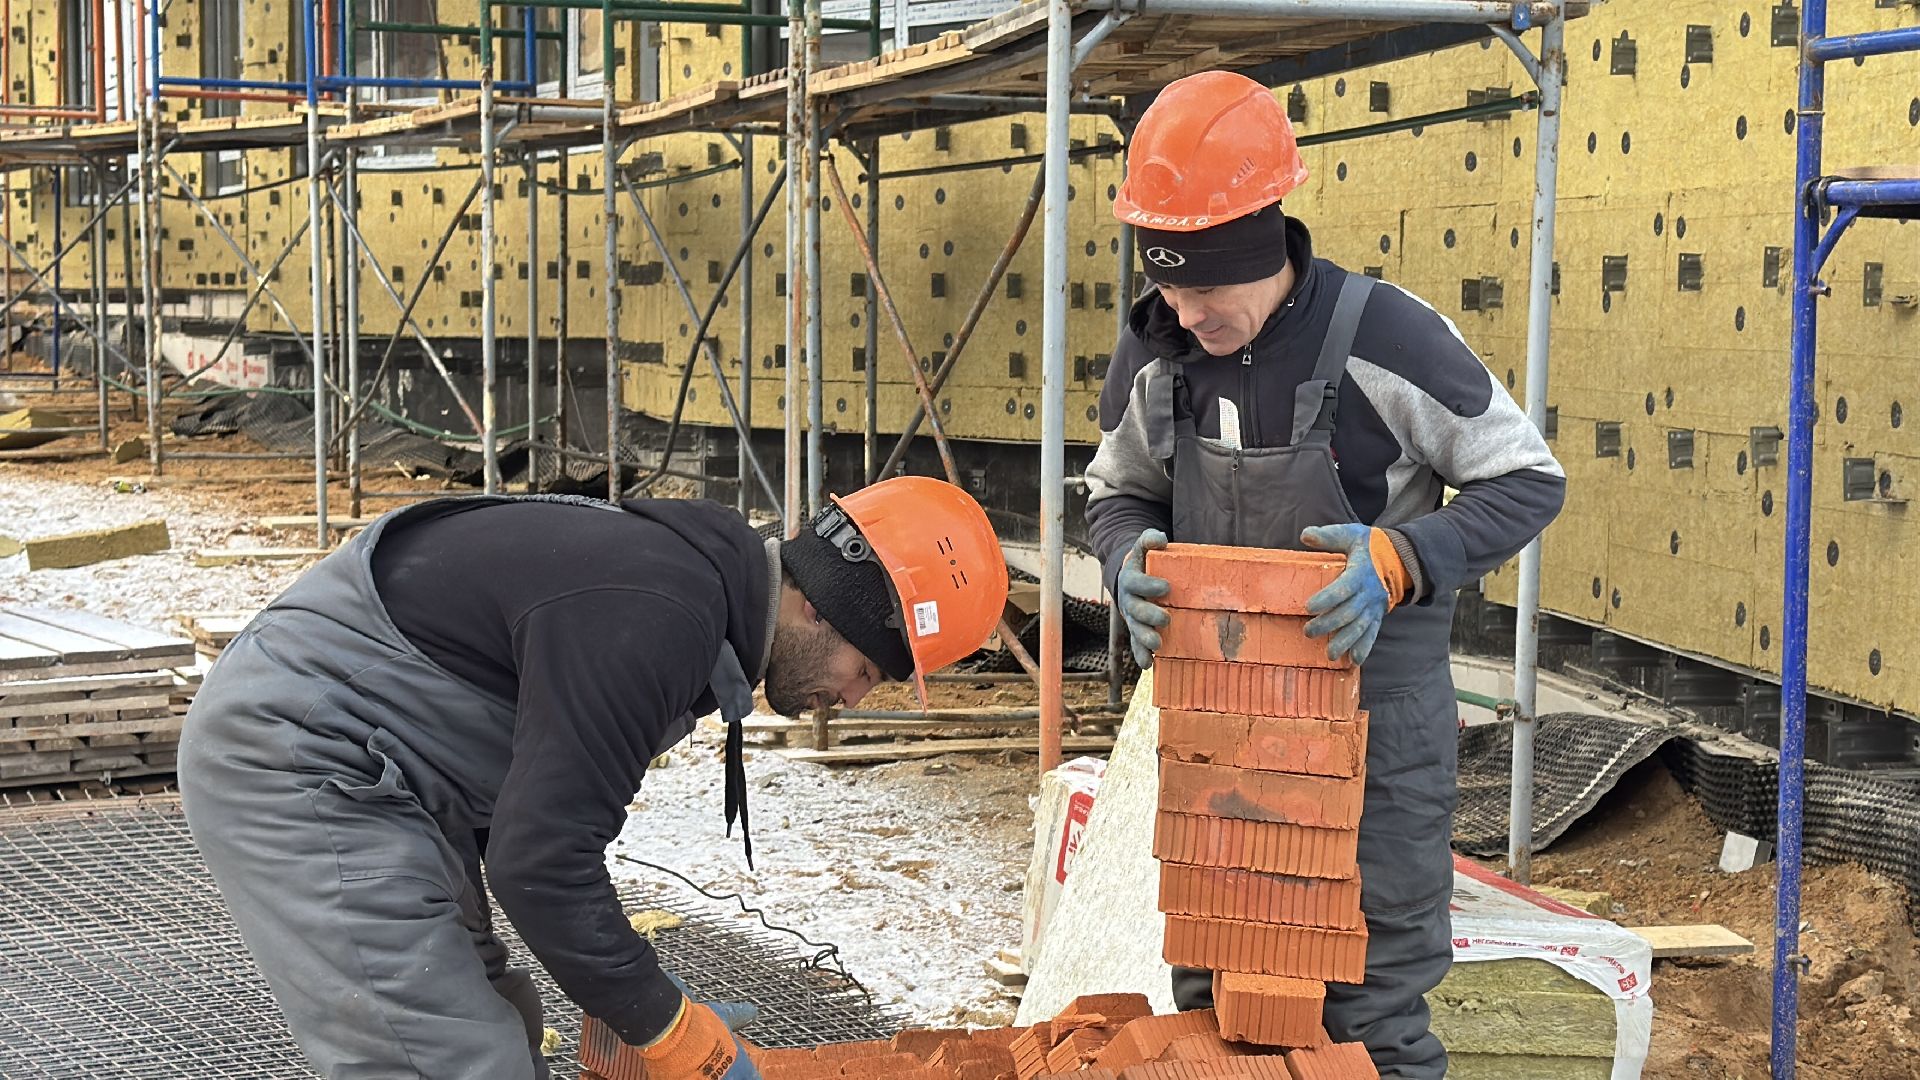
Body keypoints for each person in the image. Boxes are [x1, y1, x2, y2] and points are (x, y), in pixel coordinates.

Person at [179, 476, 1009, 1080]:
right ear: (821, 606)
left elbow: (533, 808)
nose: (851, 698)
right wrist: (663, 1024)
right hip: (300, 757)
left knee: (503, 1018)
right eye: (866, 668)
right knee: (458, 1062)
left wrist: (625, 996)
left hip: (393, 774)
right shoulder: (656, 614)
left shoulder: (686, 594)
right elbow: (540, 861)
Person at [1084, 71, 1566, 1077]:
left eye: (1205, 287)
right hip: (1218, 729)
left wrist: (1402, 556)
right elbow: (1116, 490)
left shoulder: (1386, 337)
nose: (1183, 309)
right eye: (1167, 282)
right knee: (1217, 1001)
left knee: (1366, 1009)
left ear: (1262, 250)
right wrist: (1126, 554)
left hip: (1372, 734)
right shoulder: (1159, 348)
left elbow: (1526, 480)